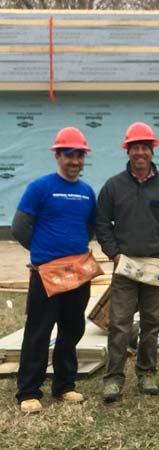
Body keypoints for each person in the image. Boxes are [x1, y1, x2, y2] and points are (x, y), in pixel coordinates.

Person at [96, 122, 159, 402]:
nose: (140, 153)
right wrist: (115, 254)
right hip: (125, 267)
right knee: (120, 324)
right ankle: (113, 379)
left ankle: (147, 372)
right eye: (135, 148)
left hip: (156, 268)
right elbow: (102, 224)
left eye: (144, 147)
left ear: (151, 150)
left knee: (151, 324)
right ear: (128, 151)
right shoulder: (113, 186)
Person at [11, 127, 97, 413]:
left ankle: (64, 386)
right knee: (38, 330)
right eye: (69, 155)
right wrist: (44, 255)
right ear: (57, 156)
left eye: (79, 156)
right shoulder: (40, 187)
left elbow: (89, 228)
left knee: (72, 329)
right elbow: (20, 228)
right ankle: (28, 391)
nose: (74, 161)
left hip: (78, 275)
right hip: (46, 275)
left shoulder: (87, 193)